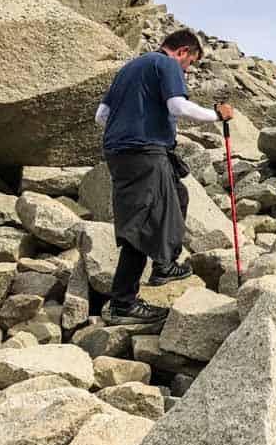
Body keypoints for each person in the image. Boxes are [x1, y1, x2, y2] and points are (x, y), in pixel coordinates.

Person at [94, 29, 234, 324]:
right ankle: (123, 304)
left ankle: (164, 264)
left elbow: (101, 115)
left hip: (122, 151)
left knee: (177, 194)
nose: (187, 70)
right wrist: (216, 115)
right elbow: (177, 106)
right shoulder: (166, 64)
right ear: (182, 51)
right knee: (143, 222)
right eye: (190, 64)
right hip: (144, 151)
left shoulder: (128, 70)